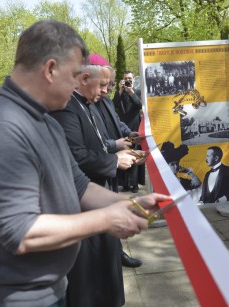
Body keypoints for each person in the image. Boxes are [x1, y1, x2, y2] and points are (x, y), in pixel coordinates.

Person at [0, 20, 168, 307]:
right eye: (73, 76)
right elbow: (20, 233)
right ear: (50, 69)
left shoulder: (45, 122)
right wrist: (107, 219)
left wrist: (132, 206)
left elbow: (79, 186)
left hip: (51, 289)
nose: (77, 85)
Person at [49, 56, 147, 307]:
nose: (106, 91)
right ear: (84, 79)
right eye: (103, 85)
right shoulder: (67, 106)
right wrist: (114, 161)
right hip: (83, 199)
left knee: (107, 266)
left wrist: (120, 153)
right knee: (89, 276)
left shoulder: (89, 104)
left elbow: (101, 141)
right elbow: (76, 155)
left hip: (98, 190)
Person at [94, 63, 144, 268]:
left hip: (112, 161)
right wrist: (114, 145)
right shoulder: (87, 104)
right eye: (104, 84)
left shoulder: (103, 100)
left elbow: (117, 122)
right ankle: (112, 254)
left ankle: (117, 252)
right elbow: (91, 141)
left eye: (112, 85)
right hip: (100, 166)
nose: (107, 90)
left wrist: (129, 133)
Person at [113, 71, 144, 193]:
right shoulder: (119, 93)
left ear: (134, 80)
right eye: (125, 79)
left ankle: (135, 184)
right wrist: (120, 91)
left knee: (135, 155)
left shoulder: (136, 92)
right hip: (121, 128)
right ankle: (125, 183)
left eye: (130, 79)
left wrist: (131, 91)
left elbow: (140, 104)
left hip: (134, 127)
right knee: (124, 154)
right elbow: (113, 105)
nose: (127, 81)